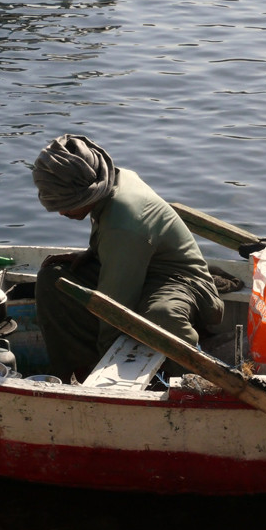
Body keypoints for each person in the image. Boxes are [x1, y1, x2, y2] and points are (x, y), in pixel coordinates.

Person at [32, 133, 224, 383]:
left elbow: (113, 310)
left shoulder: (124, 223)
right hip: (136, 266)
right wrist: (92, 254)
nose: (60, 212)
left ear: (86, 194)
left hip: (180, 283)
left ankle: (190, 382)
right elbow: (122, 250)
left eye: (64, 203)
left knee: (161, 317)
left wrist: (109, 373)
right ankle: (75, 372)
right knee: (53, 279)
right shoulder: (109, 180)